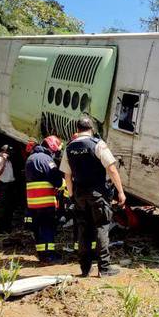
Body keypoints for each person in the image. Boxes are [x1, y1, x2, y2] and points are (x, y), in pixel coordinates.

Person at [60, 115, 126, 277]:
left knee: (83, 229)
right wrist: (120, 192)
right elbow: (111, 169)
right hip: (98, 194)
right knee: (101, 227)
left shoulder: (69, 148)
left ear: (77, 129)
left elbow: (67, 176)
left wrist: (71, 195)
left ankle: (85, 268)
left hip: (79, 194)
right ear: (92, 129)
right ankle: (104, 268)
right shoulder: (98, 145)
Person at [25, 135, 64, 262]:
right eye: (56, 151)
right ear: (52, 147)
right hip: (45, 200)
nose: (56, 154)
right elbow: (56, 179)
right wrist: (64, 184)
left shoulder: (30, 158)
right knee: (48, 227)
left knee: (38, 228)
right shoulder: (46, 159)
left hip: (33, 202)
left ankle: (42, 254)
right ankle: (49, 256)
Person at [0, 145, 16, 234]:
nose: (9, 154)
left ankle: (7, 228)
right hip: (1, 186)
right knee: (2, 208)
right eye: (7, 152)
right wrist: (3, 161)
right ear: (2, 152)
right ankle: (1, 229)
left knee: (9, 208)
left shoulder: (9, 161)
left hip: (9, 186)